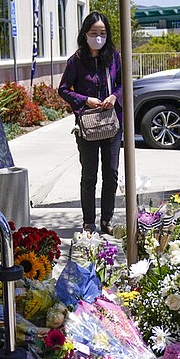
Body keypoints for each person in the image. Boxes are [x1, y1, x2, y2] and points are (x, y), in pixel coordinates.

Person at [58, 12, 123, 235]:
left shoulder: (114, 57)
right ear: (85, 34)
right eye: (94, 32)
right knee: (89, 175)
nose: (98, 37)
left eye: (102, 33)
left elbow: (123, 84)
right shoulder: (76, 61)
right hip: (87, 126)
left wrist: (114, 97)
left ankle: (107, 219)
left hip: (112, 124)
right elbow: (63, 89)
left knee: (111, 173)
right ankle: (88, 221)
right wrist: (85, 100)